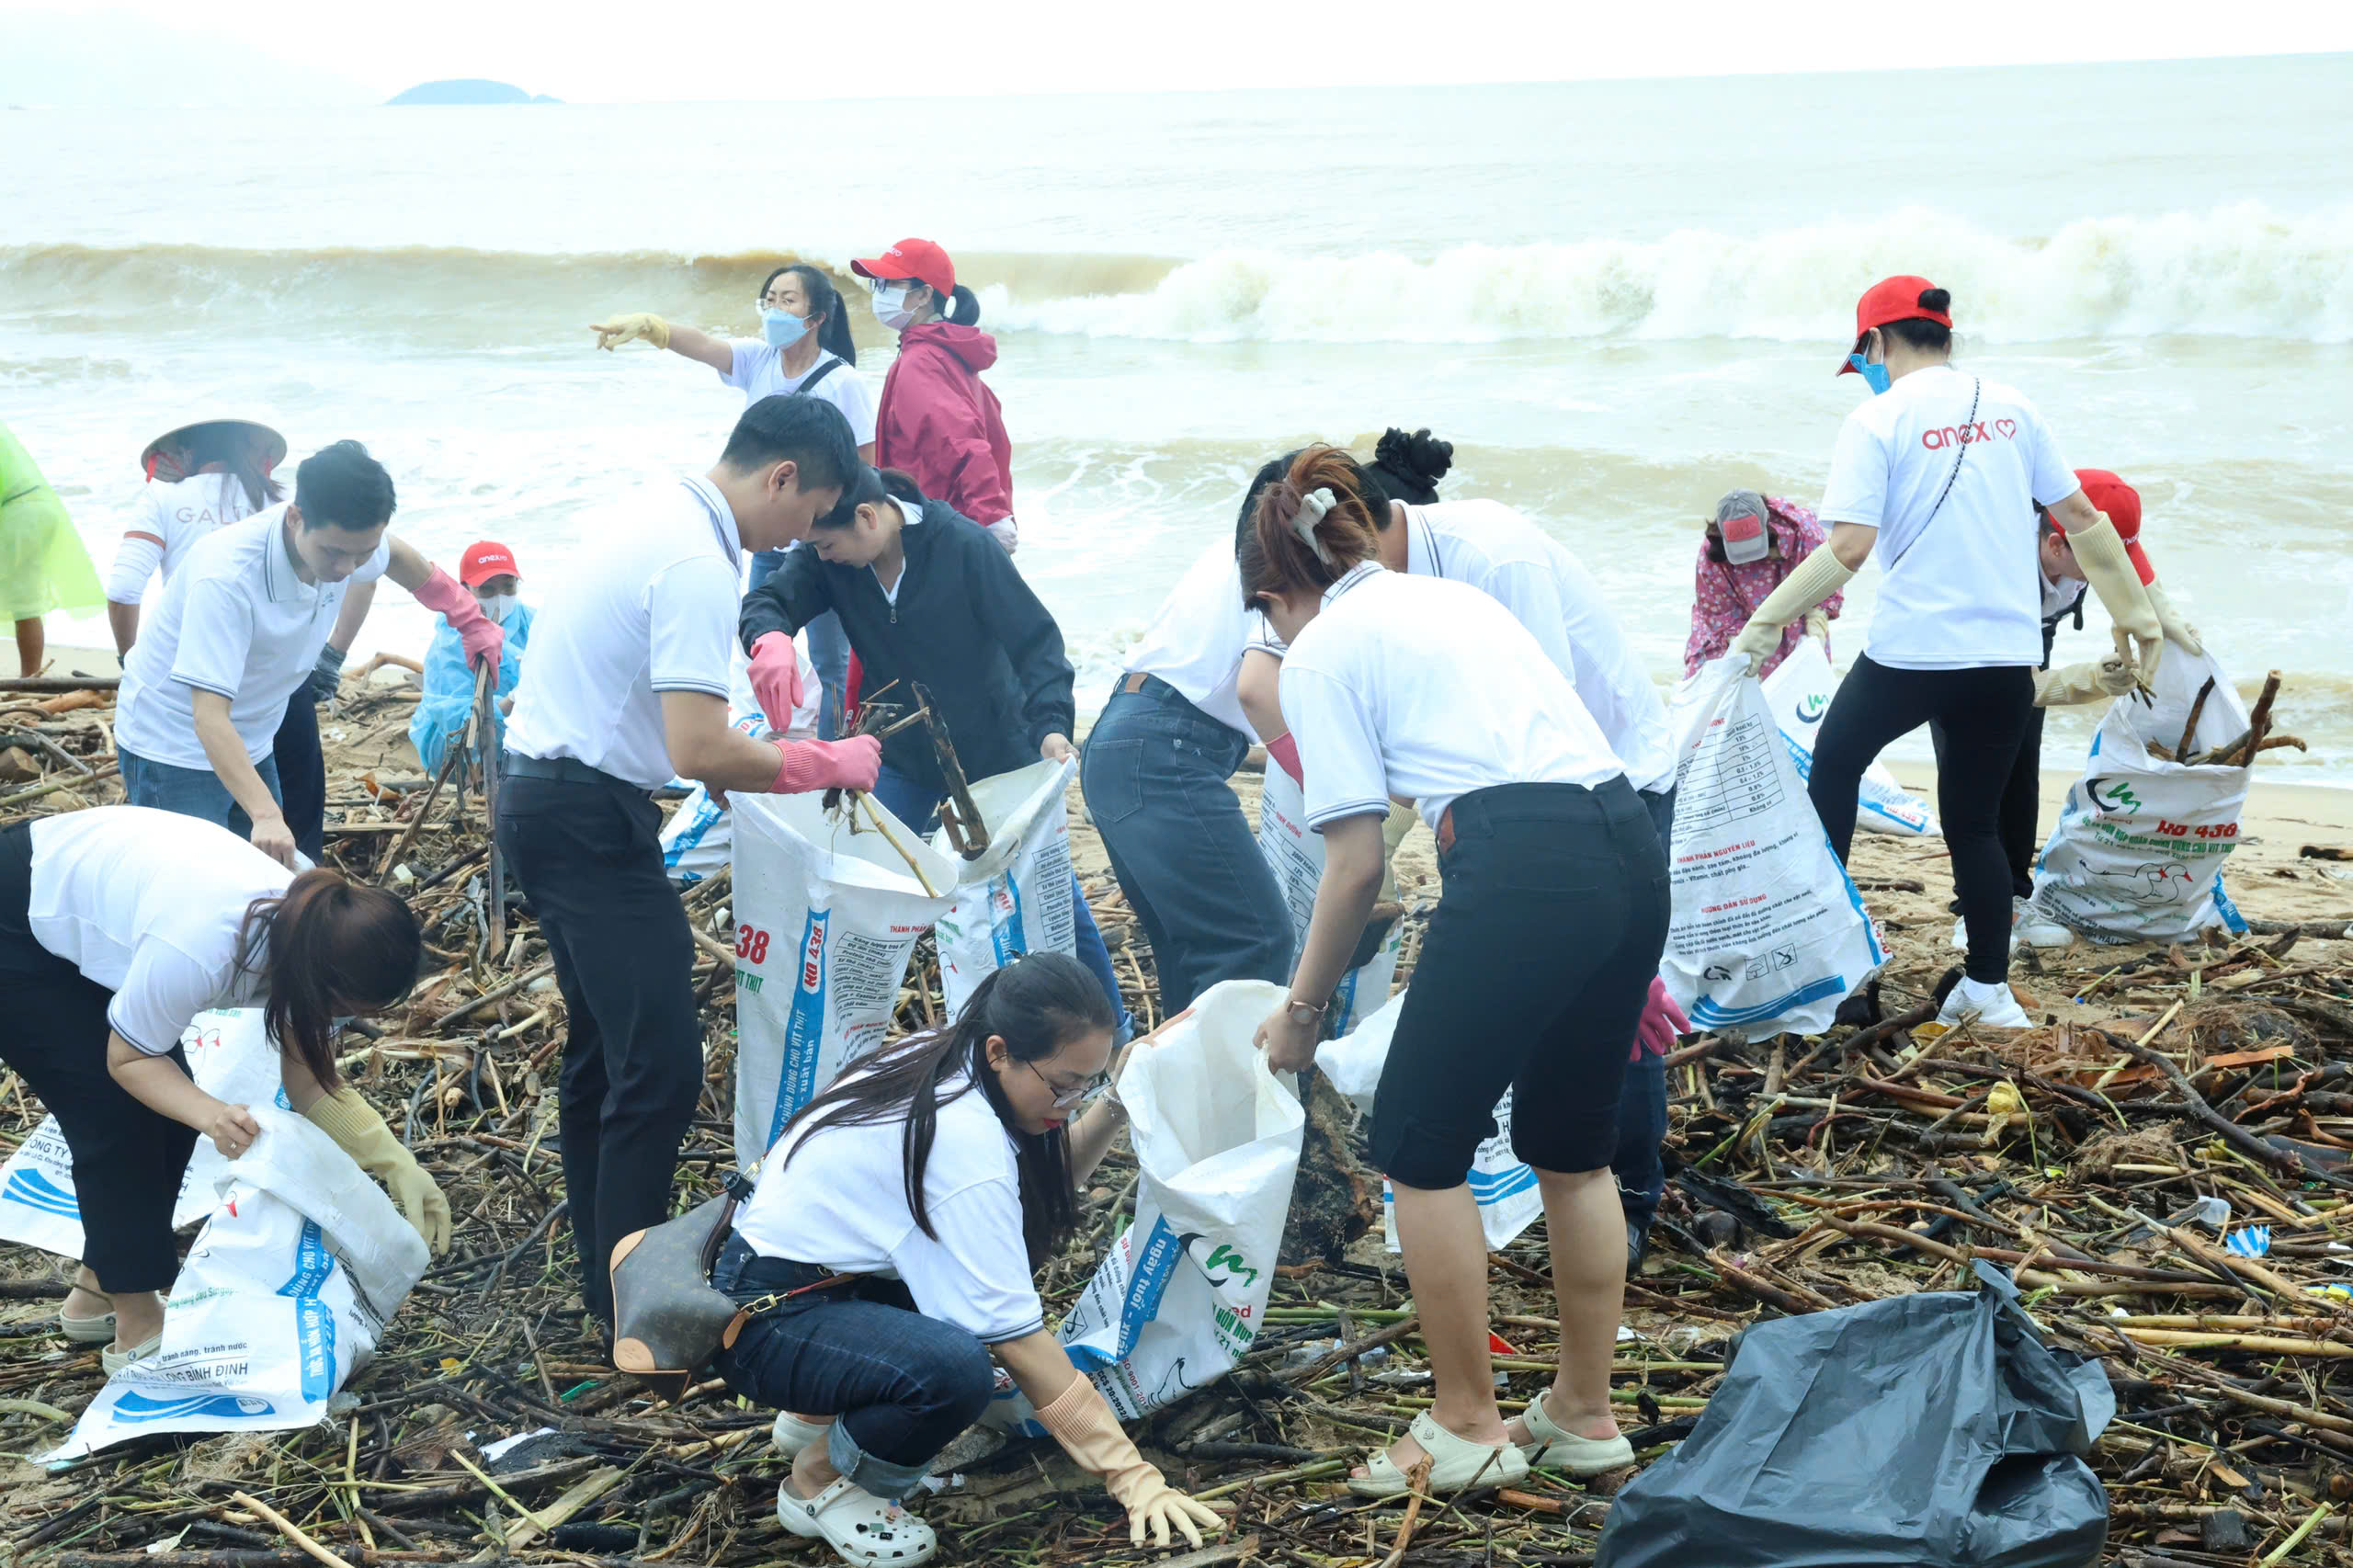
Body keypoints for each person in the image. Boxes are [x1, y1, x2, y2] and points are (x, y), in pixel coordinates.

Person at [1243, 447, 1669, 1496]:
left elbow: (1352, 863)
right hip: (1626, 840)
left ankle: (1464, 1422)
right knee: (1571, 1147)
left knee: (1418, 1150)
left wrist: (1300, 1013)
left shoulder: (1322, 648)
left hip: (1526, 862)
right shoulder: (1450, 599)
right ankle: (1582, 1414)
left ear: (1269, 595)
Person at [498, 395, 880, 1335]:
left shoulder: (659, 509)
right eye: (806, 513)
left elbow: (665, 716)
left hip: (548, 797)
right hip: (585, 814)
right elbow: (701, 745)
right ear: (783, 476)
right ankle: (640, 1302)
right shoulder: (695, 556)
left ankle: (606, 1278)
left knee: (605, 1047)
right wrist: (820, 760)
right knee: (661, 1061)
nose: (800, 537)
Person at [1726, 277, 2165, 1028]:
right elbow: (2084, 518)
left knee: (1833, 769)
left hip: (1910, 657)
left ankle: (1827, 966)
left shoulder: (1874, 420)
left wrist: (1765, 620)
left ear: (1874, 343)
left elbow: (1849, 548)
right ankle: (1988, 991)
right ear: (1946, 338)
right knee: (1973, 824)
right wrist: (2137, 616)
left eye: (1862, 352)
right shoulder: (2015, 406)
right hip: (2004, 658)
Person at [717, 953, 1219, 1565]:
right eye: (1064, 1085)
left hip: (815, 1280)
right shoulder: (962, 1140)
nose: (1070, 1102)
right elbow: (1021, 1343)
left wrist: (1118, 1098)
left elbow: (1038, 1198)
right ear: (1001, 1051)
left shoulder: (956, 1055)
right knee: (955, 1373)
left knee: (960, 1307)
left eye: (1091, 1081)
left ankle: (820, 1414)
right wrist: (1132, 1477)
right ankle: (817, 1481)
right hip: (765, 1320)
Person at [1, 805, 450, 1373]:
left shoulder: (316, 930)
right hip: (17, 918)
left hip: (98, 911)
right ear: (322, 982)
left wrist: (393, 1161)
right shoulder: (204, 942)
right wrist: (213, 1115)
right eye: (346, 1008)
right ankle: (137, 1327)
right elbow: (129, 1059)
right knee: (118, 1117)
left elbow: (307, 1079)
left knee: (168, 1111)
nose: (342, 1019)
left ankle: (97, 1291)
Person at [1071, 433, 1459, 1018]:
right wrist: (1344, 803)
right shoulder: (1289, 565)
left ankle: (1184, 1104)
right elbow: (1258, 689)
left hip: (1129, 742)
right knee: (1257, 941)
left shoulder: (1265, 537)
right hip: (1163, 752)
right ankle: (1227, 1102)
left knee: (1195, 956)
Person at [738, 464, 1130, 1035]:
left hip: (996, 749)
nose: (821, 557)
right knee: (857, 877)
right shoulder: (831, 561)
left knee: (1050, 896)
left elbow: (1037, 641)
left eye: (826, 545)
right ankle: (846, 1034)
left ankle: (1113, 1029)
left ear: (869, 517)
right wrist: (768, 637)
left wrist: (1050, 724)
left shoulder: (964, 547)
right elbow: (771, 597)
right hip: (902, 751)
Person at [112, 440, 499, 870]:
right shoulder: (227, 577)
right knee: (191, 880)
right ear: (295, 516)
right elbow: (208, 717)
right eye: (333, 553)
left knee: (261, 877)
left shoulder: (348, 543)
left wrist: (470, 619)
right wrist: (264, 813)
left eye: (362, 553)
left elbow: (404, 561)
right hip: (172, 742)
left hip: (252, 736)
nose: (346, 569)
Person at [590, 264, 875, 735]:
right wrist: (652, 328)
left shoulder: (843, 382)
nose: (775, 310)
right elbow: (704, 346)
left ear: (817, 316)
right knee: (759, 647)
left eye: (789, 300)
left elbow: (865, 468)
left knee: (831, 660)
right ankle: (768, 744)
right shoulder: (759, 360)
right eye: (770, 299)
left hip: (816, 541)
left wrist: (833, 535)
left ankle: (836, 756)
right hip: (765, 538)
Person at [1932, 468, 2195, 951]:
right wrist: (2090, 681)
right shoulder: (1996, 568)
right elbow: (2002, 689)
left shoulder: (2081, 532)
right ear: (2056, 545)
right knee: (1976, 774)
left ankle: (2012, 893)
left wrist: (2170, 624)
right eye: (2103, 563)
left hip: (2034, 627)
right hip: (1951, 649)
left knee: (2021, 761)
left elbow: (2137, 576)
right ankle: (1976, 909)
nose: (2113, 573)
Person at [108, 417, 369, 863]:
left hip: (198, 680)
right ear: (255, 451)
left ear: (182, 451)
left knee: (193, 867)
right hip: (279, 682)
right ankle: (307, 907)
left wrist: (130, 660)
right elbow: (368, 562)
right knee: (280, 842)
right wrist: (332, 656)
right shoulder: (286, 501)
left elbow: (124, 588)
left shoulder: (165, 496)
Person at [849, 239, 1018, 554]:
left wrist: (991, 516)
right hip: (955, 525)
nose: (878, 293)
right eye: (877, 283)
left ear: (925, 294)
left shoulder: (920, 362)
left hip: (940, 532)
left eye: (889, 283)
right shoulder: (950, 352)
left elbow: (960, 440)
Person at [1683, 489, 1840, 678]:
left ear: (1768, 524)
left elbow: (1826, 583)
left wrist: (1815, 631)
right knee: (1719, 686)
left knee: (1797, 686)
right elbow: (1718, 612)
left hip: (1793, 619)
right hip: (1732, 624)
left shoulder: (1804, 530)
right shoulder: (1712, 551)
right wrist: (1740, 651)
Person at [410, 540, 534, 778]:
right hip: (457, 752)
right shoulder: (449, 641)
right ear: (465, 589)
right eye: (487, 589)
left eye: (508, 587)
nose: (499, 597)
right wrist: (512, 701)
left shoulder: (531, 620)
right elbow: (452, 717)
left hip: (523, 735)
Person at [1, 419, 105, 678]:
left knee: (24, 604)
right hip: (39, 508)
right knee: (27, 605)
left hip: (15, 514)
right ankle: (30, 678)